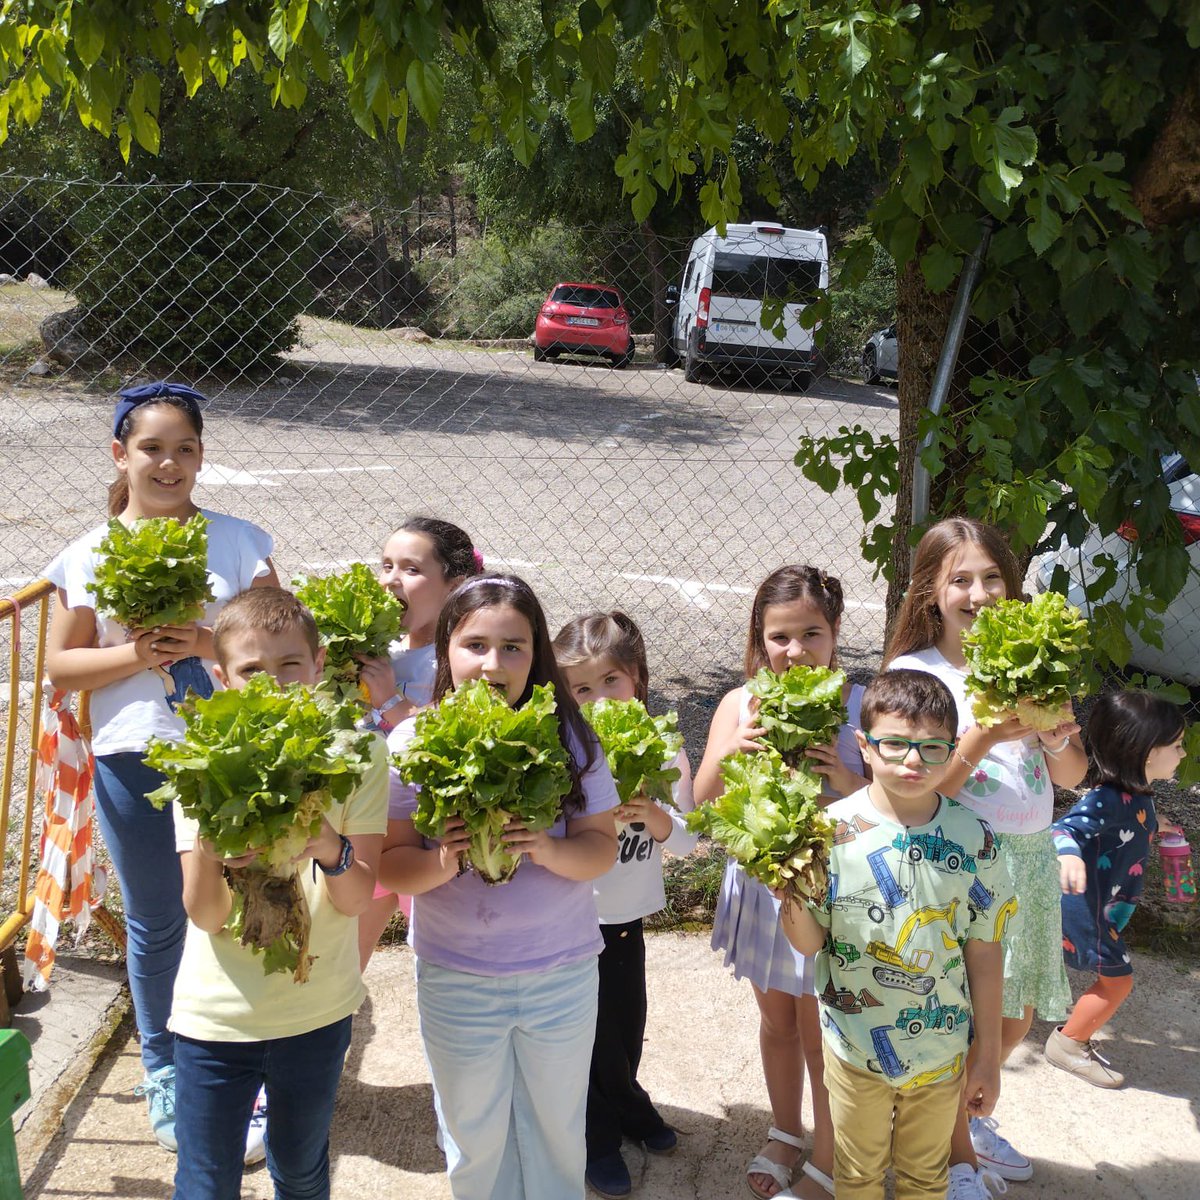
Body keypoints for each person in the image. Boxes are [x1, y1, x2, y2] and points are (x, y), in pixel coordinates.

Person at [44, 381, 278, 1155]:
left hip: (233, 750)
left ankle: (246, 1061)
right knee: (158, 919)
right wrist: (136, 653)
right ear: (121, 455)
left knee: (246, 904)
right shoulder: (89, 552)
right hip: (134, 751)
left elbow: (285, 647)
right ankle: (168, 1067)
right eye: (152, 448)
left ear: (203, 457)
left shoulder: (241, 542)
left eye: (184, 449)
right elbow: (62, 666)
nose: (169, 463)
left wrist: (207, 644)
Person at [379, 574, 619, 1200]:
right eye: (475, 645)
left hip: (561, 974)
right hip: (458, 975)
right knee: (472, 1133)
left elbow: (600, 851)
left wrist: (545, 847)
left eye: (513, 647)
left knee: (556, 1130)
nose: (493, 662)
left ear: (537, 655)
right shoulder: (411, 742)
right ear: (444, 653)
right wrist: (446, 862)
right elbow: (391, 863)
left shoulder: (571, 738)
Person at [884, 517, 1087, 1199]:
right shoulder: (918, 675)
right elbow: (921, 786)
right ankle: (951, 1154)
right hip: (956, 864)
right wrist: (984, 733)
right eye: (960, 579)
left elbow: (1071, 778)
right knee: (954, 1015)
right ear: (930, 593)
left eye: (992, 576)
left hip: (1026, 859)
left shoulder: (1031, 655)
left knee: (1014, 1014)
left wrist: (1055, 731)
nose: (979, 592)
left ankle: (968, 1118)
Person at [169, 588, 388, 1200]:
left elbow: (355, 897)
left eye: (290, 665)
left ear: (318, 664)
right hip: (215, 1016)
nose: (275, 682)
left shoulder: (360, 751)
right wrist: (212, 851)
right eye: (251, 671)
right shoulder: (200, 755)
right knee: (205, 1182)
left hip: (315, 1010)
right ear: (220, 677)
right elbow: (206, 914)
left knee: (299, 1169)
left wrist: (327, 846)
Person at [781, 669, 1013, 1200]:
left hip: (941, 1052)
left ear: (954, 750)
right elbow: (809, 943)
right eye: (895, 745)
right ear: (863, 746)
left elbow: (984, 949)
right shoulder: (828, 832)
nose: (914, 761)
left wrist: (987, 1054)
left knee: (924, 1180)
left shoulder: (974, 839)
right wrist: (788, 893)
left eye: (933, 748)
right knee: (855, 1177)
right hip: (852, 1048)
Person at [693, 566, 868, 1200]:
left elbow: (891, 806)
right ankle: (786, 1129)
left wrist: (846, 781)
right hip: (764, 886)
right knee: (777, 1022)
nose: (795, 652)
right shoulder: (740, 703)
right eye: (779, 637)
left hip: (834, 892)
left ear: (836, 632)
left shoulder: (860, 703)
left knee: (827, 1031)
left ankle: (830, 1150)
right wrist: (734, 746)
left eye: (811, 634)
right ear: (760, 638)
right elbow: (703, 803)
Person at [552, 611, 698, 1198]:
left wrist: (657, 816)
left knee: (626, 1026)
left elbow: (689, 841)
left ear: (636, 677)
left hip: (626, 918)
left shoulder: (661, 746)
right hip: (570, 917)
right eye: (581, 690)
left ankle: (630, 1101)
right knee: (587, 1035)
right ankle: (600, 1135)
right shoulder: (563, 750)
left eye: (610, 681)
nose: (598, 699)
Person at [357, 516, 481, 967]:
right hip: (369, 826)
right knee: (342, 962)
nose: (391, 578)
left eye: (411, 569)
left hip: (428, 839)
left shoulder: (462, 659)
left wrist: (390, 701)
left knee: (433, 957)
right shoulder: (381, 652)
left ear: (455, 586)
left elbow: (455, 741)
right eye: (386, 565)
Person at [1047, 690, 1186, 1087]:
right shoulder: (1107, 798)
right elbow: (1065, 829)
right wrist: (1068, 855)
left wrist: (1154, 825)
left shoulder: (1137, 794)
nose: (1181, 754)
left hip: (1105, 902)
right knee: (1117, 980)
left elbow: (1129, 822)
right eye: (1175, 746)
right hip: (1083, 904)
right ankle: (1069, 1043)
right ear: (1145, 752)